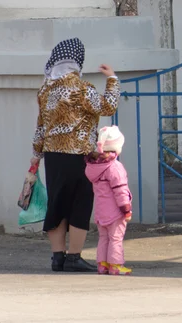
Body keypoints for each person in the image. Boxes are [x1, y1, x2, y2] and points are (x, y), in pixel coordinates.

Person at [30, 38, 120, 272]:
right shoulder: (82, 88)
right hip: (78, 154)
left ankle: (57, 257)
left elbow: (40, 126)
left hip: (53, 156)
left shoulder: (45, 90)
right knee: (80, 202)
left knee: (57, 203)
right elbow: (108, 107)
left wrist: (35, 155)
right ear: (77, 61)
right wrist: (112, 79)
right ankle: (74, 257)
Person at [85, 125, 133, 276]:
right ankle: (116, 265)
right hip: (115, 212)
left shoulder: (93, 167)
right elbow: (120, 190)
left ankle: (102, 264)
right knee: (116, 238)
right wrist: (126, 209)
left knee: (103, 237)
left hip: (100, 211)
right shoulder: (115, 167)